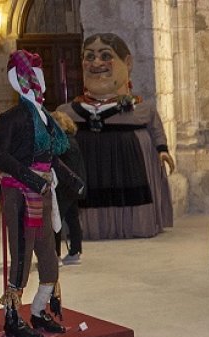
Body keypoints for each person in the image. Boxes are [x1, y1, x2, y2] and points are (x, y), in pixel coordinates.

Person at [55, 33, 174, 240]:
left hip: (129, 168)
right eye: (89, 57)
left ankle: (134, 224)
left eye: (105, 55)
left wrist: (162, 150)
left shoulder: (141, 109)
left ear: (127, 63)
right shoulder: (67, 112)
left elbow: (155, 130)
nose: (96, 63)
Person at [0, 50, 73, 337]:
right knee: (22, 255)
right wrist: (29, 178)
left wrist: (71, 180)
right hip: (20, 194)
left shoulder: (45, 116)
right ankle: (12, 317)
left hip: (44, 191)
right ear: (21, 79)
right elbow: (1, 155)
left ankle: (39, 309)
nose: (41, 80)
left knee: (49, 255)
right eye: (34, 74)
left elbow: (49, 156)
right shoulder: (12, 118)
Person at [50, 111, 87, 264]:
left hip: (64, 186)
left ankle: (55, 254)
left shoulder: (63, 143)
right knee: (72, 219)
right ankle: (75, 251)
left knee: (56, 220)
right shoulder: (71, 140)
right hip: (73, 185)